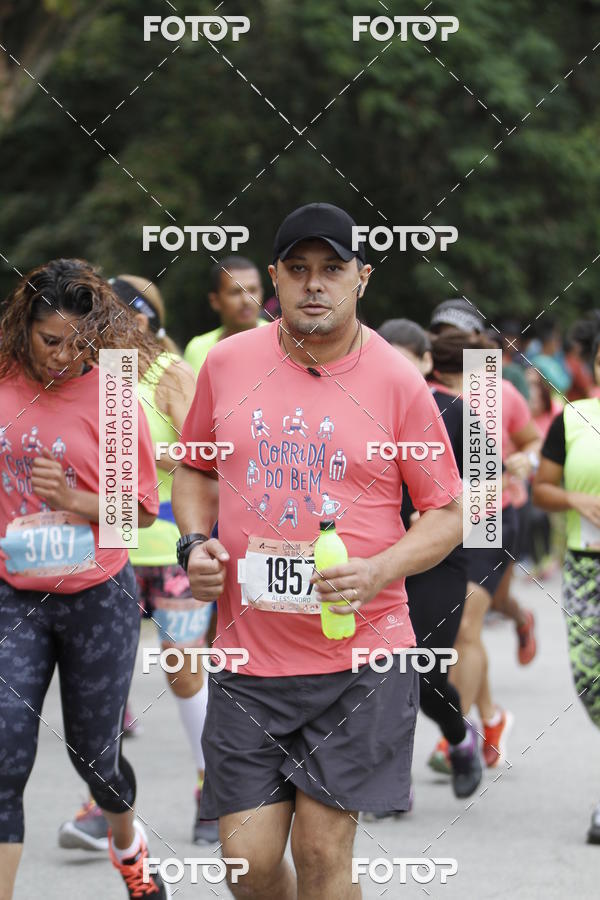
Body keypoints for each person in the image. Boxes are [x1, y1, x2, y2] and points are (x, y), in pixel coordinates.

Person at [172, 202, 464, 899]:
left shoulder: (397, 380)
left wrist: (379, 569)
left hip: (359, 658)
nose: (314, 285)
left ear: (361, 277)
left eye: (332, 269)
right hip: (250, 656)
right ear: (275, 277)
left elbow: (448, 515)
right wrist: (193, 545)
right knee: (247, 864)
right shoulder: (227, 362)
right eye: (298, 269)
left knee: (322, 851)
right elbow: (193, 467)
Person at [0, 259, 169, 899]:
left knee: (94, 759)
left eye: (78, 342)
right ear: (25, 328)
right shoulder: (2, 377)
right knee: (4, 758)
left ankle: (129, 851)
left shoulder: (116, 392)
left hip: (95, 595)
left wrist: (76, 500)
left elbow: (144, 509)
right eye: (49, 341)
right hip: (13, 595)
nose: (63, 356)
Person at [57, 274, 218, 851]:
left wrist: (154, 456)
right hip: (113, 550)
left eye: (118, 311)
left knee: (183, 674)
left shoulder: (169, 374)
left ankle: (212, 789)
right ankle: (104, 803)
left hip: (171, 545)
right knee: (108, 686)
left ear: (145, 318)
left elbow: (208, 452)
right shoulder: (93, 376)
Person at [429, 304, 540, 771]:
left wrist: (525, 461)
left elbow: (533, 440)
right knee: (458, 632)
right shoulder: (420, 389)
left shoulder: (497, 389)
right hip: (436, 521)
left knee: (467, 628)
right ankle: (491, 718)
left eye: (458, 334)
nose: (449, 341)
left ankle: (457, 738)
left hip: (489, 516)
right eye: (440, 333)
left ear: (476, 341)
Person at [376, 319, 482, 801]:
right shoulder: (358, 412)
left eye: (405, 360)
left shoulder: (460, 415)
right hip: (374, 560)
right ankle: (392, 779)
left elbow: (486, 496)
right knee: (379, 671)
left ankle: (460, 739)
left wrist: (441, 518)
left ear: (425, 362)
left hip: (441, 561)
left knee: (424, 671)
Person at [533, 318, 600, 843]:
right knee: (589, 681)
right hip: (585, 566)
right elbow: (542, 490)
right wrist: (578, 500)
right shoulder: (573, 419)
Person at [184, 255, 267, 374]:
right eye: (235, 292)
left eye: (253, 290)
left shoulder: (282, 341)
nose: (246, 300)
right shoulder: (197, 349)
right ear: (215, 301)